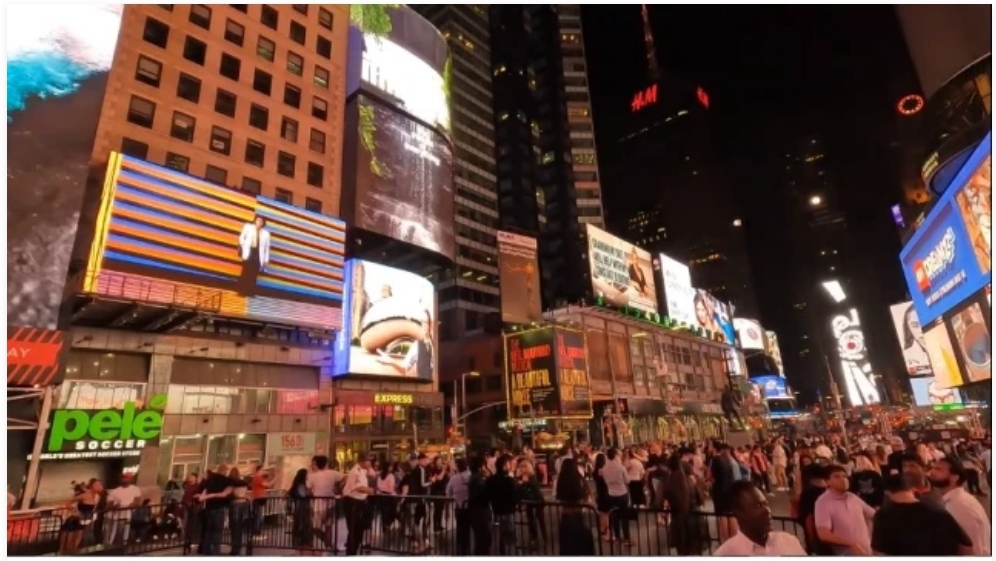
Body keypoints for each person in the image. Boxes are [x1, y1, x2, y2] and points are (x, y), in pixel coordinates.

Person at [871, 473, 973, 555]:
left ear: (887, 493)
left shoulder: (883, 516)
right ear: (912, 490)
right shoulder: (937, 509)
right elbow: (966, 546)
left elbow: (880, 553)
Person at [713, 480, 807, 556]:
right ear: (738, 514)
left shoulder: (789, 542)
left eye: (766, 504)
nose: (767, 510)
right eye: (758, 506)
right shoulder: (726, 554)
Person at [929, 457, 991, 555]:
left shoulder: (959, 505)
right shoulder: (955, 499)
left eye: (938, 470)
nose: (932, 472)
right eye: (933, 468)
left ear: (955, 477)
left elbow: (972, 546)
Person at [814, 464, 874, 556]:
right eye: (837, 477)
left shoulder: (853, 497)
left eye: (844, 476)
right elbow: (823, 534)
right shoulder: (823, 502)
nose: (843, 479)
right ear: (827, 482)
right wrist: (850, 544)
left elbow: (874, 515)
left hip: (866, 552)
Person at [307, 455, 343, 550]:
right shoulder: (333, 473)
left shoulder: (312, 476)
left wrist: (311, 494)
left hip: (318, 504)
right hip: (330, 503)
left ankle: (327, 542)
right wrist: (339, 489)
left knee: (315, 527)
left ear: (316, 464)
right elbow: (345, 478)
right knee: (329, 526)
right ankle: (328, 544)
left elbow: (308, 489)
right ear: (326, 463)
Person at [197, 465, 234, 556]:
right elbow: (225, 494)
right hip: (218, 508)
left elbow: (202, 489)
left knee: (209, 531)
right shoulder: (225, 481)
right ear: (224, 472)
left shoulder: (210, 480)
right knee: (217, 532)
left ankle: (206, 551)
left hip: (209, 508)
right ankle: (215, 553)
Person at [486, 455, 519, 554]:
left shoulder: (490, 480)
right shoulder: (509, 481)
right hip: (508, 512)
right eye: (509, 464)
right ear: (505, 466)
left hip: (496, 512)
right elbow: (515, 497)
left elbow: (488, 495)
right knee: (510, 538)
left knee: (499, 538)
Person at [342, 456, 374, 555]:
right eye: (368, 460)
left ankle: (353, 549)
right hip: (353, 502)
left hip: (360, 501)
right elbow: (357, 487)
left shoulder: (363, 470)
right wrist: (371, 490)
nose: (370, 463)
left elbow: (372, 475)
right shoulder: (355, 471)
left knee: (359, 529)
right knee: (354, 529)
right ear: (361, 461)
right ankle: (351, 552)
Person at [236, 214, 271, 296]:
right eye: (258, 220)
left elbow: (267, 248)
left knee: (254, 274)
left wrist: (266, 260)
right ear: (255, 221)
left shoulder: (266, 233)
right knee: (245, 272)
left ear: (263, 223)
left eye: (261, 221)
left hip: (258, 254)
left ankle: (250, 292)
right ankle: (241, 291)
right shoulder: (248, 227)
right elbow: (241, 237)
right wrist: (243, 245)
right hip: (249, 252)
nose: (259, 222)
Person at [104, 474, 141, 548]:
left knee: (124, 532)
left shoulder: (135, 489)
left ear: (131, 479)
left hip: (127, 514)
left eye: (127, 478)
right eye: (123, 478)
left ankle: (123, 546)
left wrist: (127, 507)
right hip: (114, 516)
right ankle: (109, 547)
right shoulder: (115, 491)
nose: (124, 479)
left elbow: (137, 501)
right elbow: (109, 504)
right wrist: (115, 506)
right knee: (112, 533)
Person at [445, 458, 472, 555]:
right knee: (469, 527)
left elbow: (448, 492)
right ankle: (468, 547)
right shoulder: (471, 476)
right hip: (471, 507)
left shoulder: (453, 478)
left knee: (460, 527)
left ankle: (461, 548)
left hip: (459, 507)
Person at [466, 457, 492, 556]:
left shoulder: (475, 478)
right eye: (484, 466)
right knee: (483, 540)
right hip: (480, 514)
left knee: (481, 540)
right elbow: (483, 495)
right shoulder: (478, 480)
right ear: (480, 467)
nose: (486, 468)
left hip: (477, 513)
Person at [287, 468, 313, 555]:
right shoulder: (301, 485)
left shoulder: (296, 485)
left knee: (300, 524)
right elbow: (304, 495)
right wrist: (310, 492)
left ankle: (299, 542)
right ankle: (303, 542)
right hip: (303, 507)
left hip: (299, 507)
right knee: (304, 524)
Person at [227, 467, 250, 555]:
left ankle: (235, 548)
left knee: (234, 527)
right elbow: (245, 493)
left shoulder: (231, 483)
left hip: (235, 504)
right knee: (239, 527)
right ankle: (239, 547)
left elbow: (230, 493)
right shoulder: (243, 483)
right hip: (243, 503)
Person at [251, 466, 273, 538]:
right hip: (258, 499)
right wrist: (276, 478)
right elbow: (268, 485)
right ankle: (256, 533)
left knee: (259, 516)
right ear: (258, 470)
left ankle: (257, 532)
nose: (264, 471)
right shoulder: (258, 478)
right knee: (258, 517)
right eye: (262, 470)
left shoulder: (258, 478)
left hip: (259, 499)